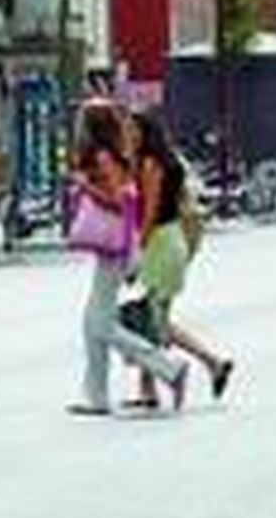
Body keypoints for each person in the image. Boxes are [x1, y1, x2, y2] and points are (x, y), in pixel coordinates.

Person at [65, 101, 188, 418]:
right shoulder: (114, 154)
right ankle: (97, 394)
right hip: (118, 247)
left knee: (99, 323)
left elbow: (122, 202)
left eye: (82, 121)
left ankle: (167, 368)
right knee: (93, 323)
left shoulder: (105, 157)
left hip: (116, 247)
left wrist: (86, 188)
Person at [126, 111, 235, 409]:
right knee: (150, 316)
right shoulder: (172, 161)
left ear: (146, 133)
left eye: (133, 130)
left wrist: (137, 250)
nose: (128, 135)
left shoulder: (151, 163)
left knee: (154, 320)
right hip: (172, 239)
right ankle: (147, 389)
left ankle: (212, 362)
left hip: (160, 242)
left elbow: (149, 211)